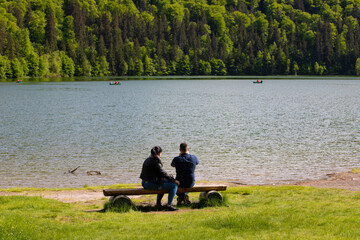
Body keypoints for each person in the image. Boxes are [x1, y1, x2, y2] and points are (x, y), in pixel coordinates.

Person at [140, 146, 180, 211]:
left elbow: (160, 173)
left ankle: (158, 203)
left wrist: (168, 179)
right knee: (174, 185)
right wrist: (173, 180)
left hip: (144, 182)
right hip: (149, 184)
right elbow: (162, 172)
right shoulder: (155, 161)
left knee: (163, 182)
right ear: (159, 154)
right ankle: (169, 206)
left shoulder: (148, 159)